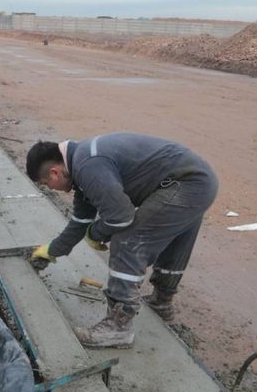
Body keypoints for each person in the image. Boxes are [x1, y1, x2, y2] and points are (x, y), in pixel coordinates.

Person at [25, 133, 218, 348]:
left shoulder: (87, 165)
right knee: (174, 241)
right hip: (196, 182)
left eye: (46, 183)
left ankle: (118, 327)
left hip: (187, 183)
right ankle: (162, 302)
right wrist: (52, 250)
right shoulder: (82, 167)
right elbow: (80, 221)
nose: (50, 188)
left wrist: (96, 233)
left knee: (128, 240)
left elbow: (121, 216)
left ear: (54, 172)